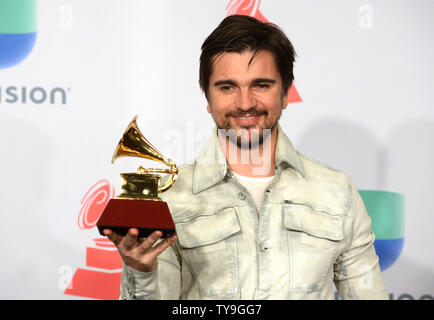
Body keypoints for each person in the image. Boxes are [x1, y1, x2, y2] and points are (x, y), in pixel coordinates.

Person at [104, 15, 389, 300]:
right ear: (208, 97)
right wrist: (140, 272)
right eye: (227, 87)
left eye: (261, 85)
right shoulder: (165, 197)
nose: (245, 103)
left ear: (286, 92)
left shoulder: (338, 191)